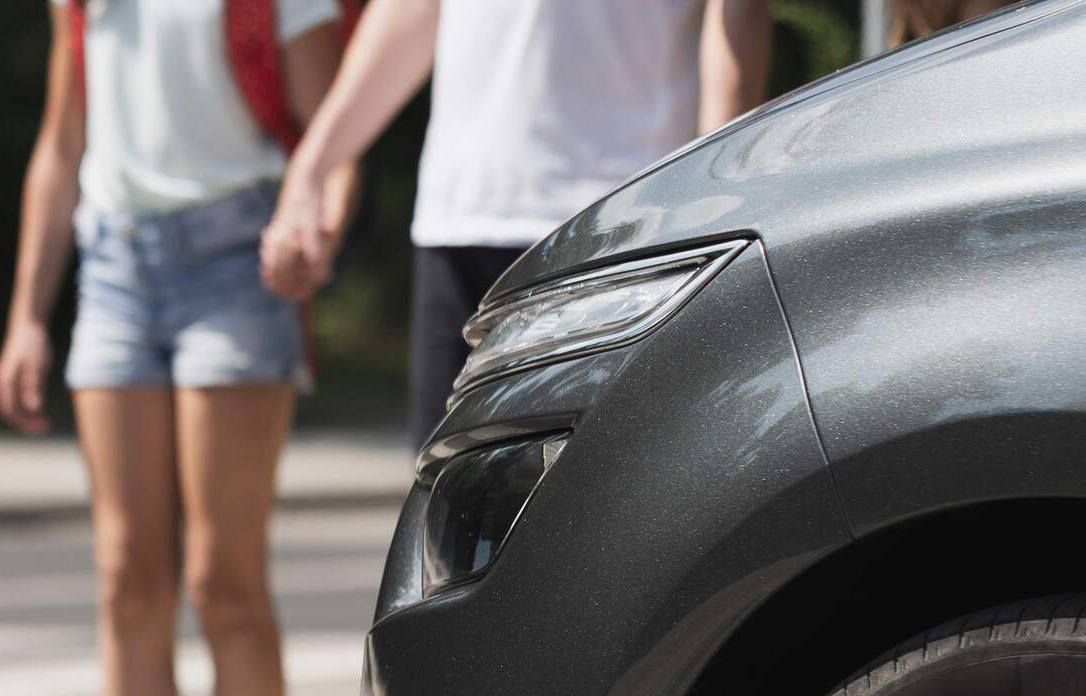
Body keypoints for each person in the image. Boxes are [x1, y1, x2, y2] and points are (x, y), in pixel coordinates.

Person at [0, 0, 357, 696]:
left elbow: (337, 129)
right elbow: (61, 140)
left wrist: (313, 225)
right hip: (115, 263)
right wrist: (29, 313)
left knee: (222, 579)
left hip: (235, 260)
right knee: (125, 575)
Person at [261, 0, 772, 446]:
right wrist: (312, 170)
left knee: (598, 514)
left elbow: (737, 14)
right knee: (446, 519)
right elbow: (415, 9)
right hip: (460, 222)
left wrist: (710, 196)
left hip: (622, 224)